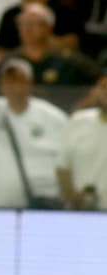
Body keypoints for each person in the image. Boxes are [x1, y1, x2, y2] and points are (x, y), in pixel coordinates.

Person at [0, 56, 67, 209]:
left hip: (40, 203)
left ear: (29, 83)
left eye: (18, 80)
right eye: (8, 81)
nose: (12, 86)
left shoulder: (53, 117)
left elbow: (66, 158)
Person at [57, 76, 107, 211]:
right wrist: (72, 197)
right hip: (81, 213)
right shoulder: (78, 121)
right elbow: (62, 167)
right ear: (95, 91)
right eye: (103, 87)